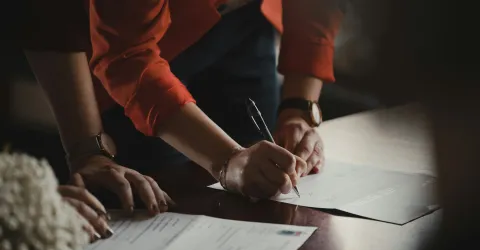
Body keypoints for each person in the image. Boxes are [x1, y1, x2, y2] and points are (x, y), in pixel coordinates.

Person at [20, 0, 343, 202]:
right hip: (134, 39)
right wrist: (226, 159)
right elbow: (127, 56)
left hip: (247, 19)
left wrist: (299, 109)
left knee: (264, 180)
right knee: (157, 197)